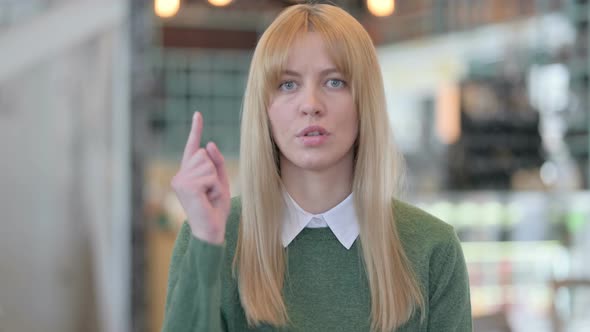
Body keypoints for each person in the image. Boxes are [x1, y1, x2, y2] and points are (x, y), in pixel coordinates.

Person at [162, 3, 472, 332]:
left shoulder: (432, 249)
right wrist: (207, 244)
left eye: (334, 82)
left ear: (364, 101)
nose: (310, 104)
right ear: (263, 109)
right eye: (287, 85)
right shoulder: (213, 236)